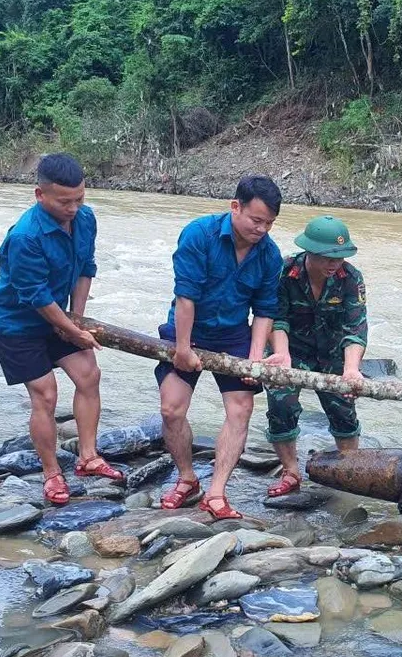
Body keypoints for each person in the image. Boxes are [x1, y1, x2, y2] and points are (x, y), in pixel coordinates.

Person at [0, 153, 122, 505]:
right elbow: (35, 296)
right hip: (16, 322)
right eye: (65, 201)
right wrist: (71, 331)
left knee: (89, 375)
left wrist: (76, 318)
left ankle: (88, 457)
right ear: (39, 195)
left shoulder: (86, 219)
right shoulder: (26, 236)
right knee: (46, 394)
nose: (73, 207)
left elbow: (85, 268)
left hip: (58, 314)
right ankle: (52, 475)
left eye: (79, 198)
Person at [156, 176, 286, 520]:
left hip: (233, 334)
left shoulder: (270, 255)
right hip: (189, 327)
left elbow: (265, 310)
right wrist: (183, 348)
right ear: (235, 207)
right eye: (256, 220)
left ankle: (216, 492)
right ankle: (187, 478)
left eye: (269, 223)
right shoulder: (199, 235)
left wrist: (255, 357)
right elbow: (186, 296)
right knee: (171, 409)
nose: (262, 229)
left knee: (241, 408)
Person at [265, 215, 368, 496]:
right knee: (281, 406)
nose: (335, 264)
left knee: (343, 411)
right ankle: (290, 471)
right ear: (309, 251)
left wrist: (351, 370)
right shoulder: (284, 272)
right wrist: (282, 356)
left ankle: (348, 471)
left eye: (340, 256)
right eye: (327, 257)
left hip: (333, 354)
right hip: (290, 349)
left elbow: (355, 329)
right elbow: (277, 319)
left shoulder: (351, 278)